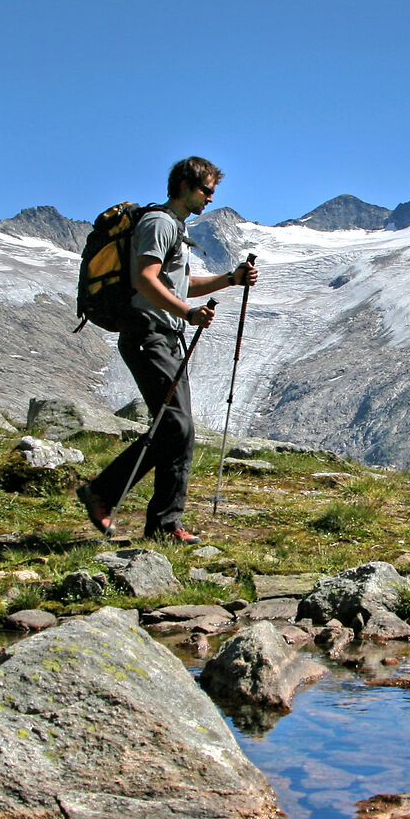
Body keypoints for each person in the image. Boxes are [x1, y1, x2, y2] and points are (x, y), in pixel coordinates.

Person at [77, 155, 257, 542]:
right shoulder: (160, 223)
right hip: (149, 333)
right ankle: (108, 496)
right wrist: (187, 313)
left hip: (163, 335)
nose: (210, 198)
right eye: (207, 190)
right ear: (187, 186)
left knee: (178, 429)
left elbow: (178, 283)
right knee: (175, 426)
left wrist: (230, 279)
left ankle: (162, 524)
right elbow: (145, 279)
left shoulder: (173, 226)